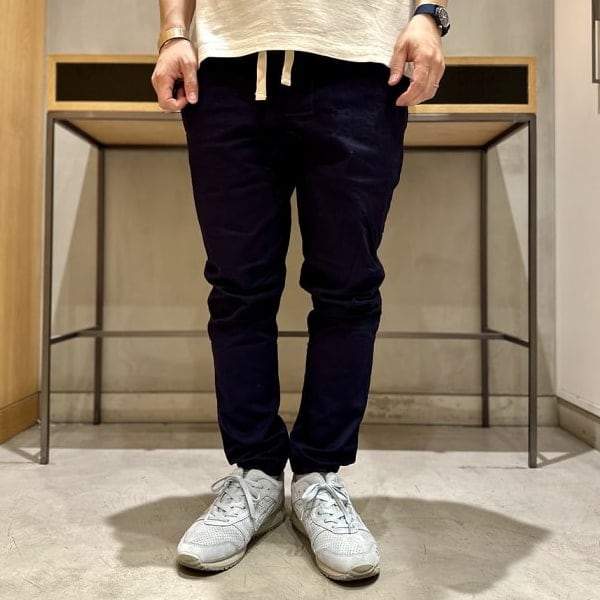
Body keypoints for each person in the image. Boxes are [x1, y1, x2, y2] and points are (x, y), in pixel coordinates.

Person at [151, 0, 447, 581]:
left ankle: (318, 477)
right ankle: (256, 477)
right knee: (238, 288)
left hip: (363, 63)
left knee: (348, 287)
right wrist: (172, 34)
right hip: (230, 66)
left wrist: (428, 15)